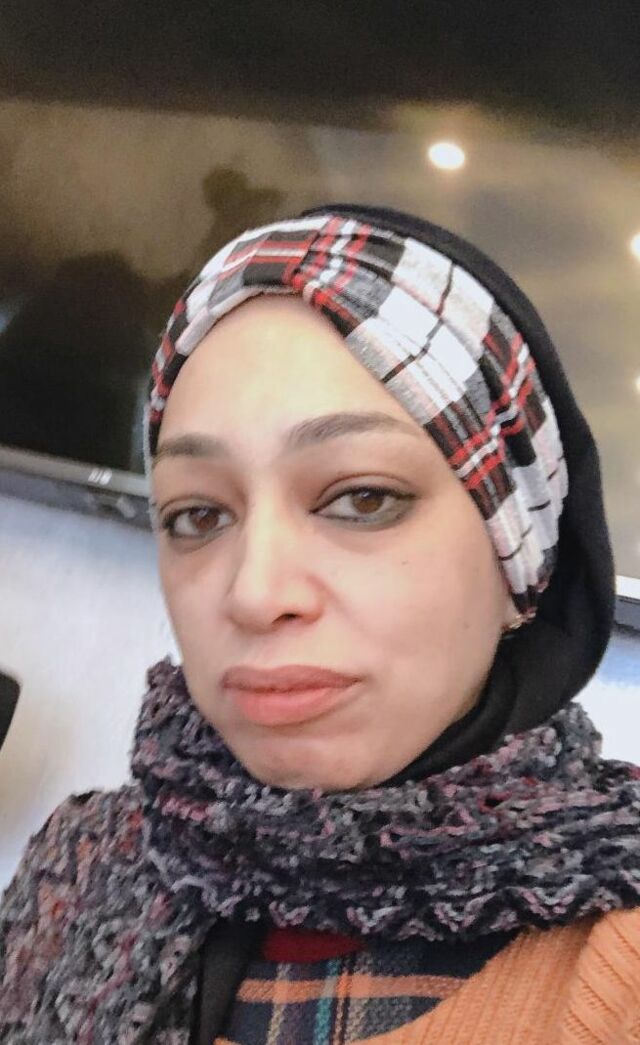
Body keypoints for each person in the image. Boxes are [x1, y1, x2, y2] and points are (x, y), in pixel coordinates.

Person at [1, 205, 639, 1044]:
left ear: (518, 559)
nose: (255, 593)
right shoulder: (80, 861)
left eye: (362, 498)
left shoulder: (615, 965)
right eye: (197, 514)